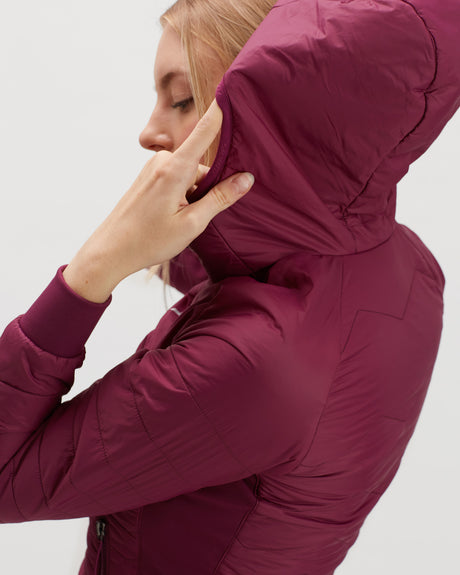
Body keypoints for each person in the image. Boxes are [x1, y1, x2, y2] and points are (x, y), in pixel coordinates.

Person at [0, 1, 459, 575]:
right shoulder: (407, 264)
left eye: (182, 99)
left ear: (273, 116)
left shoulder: (250, 362)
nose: (148, 132)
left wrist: (95, 267)